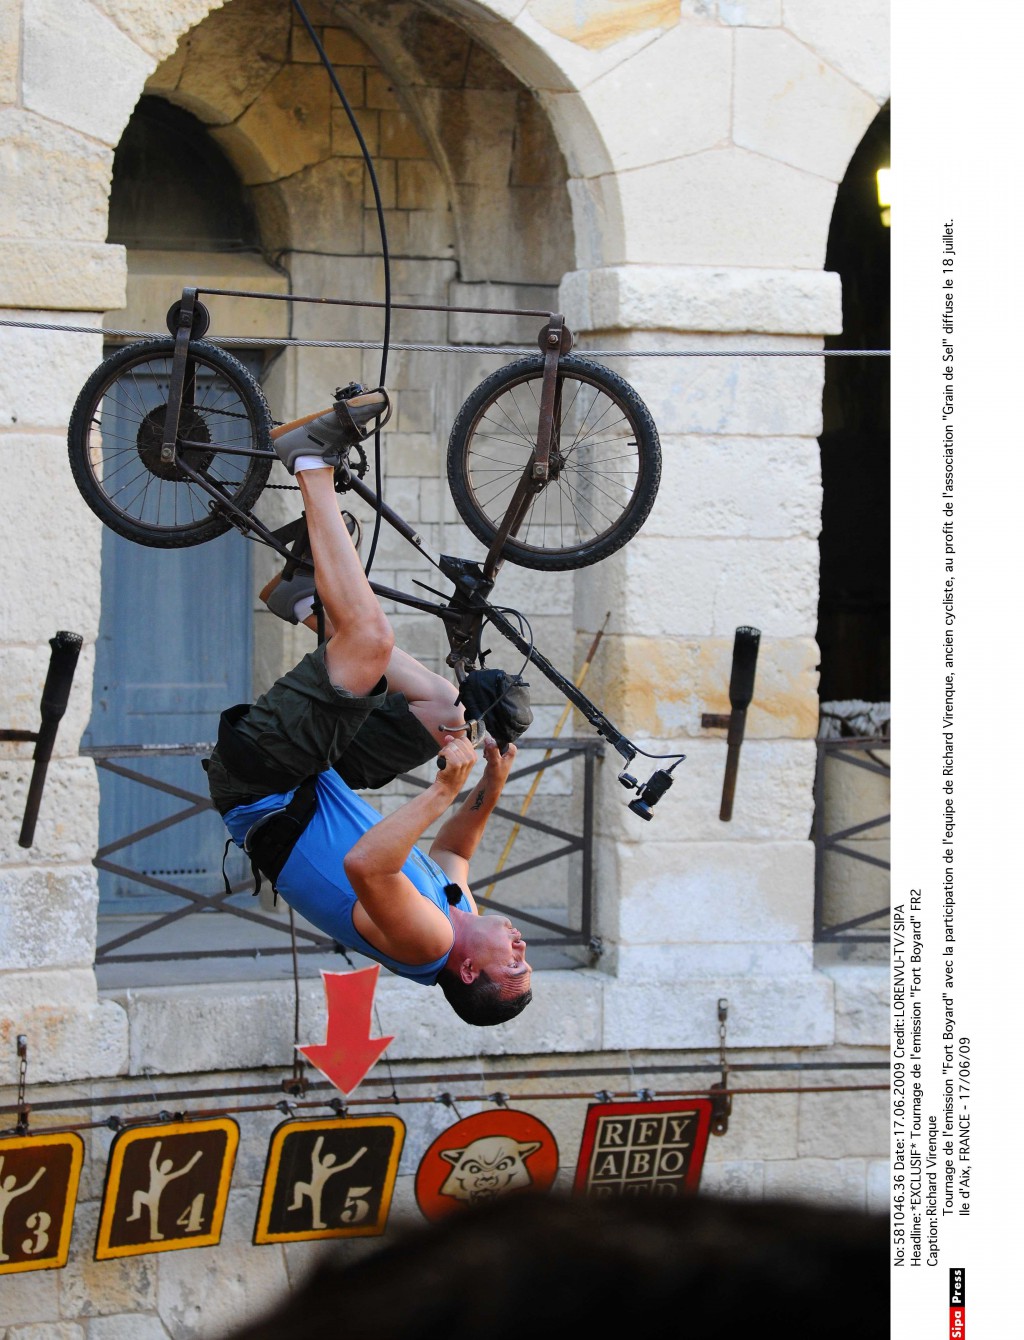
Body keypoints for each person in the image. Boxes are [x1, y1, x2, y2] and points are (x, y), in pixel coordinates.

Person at [205, 388, 533, 1027]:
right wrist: (490, 785)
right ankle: (306, 602)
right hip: (312, 778)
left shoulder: (427, 945)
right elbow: (456, 856)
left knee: (370, 641)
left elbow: (365, 865)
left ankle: (308, 463)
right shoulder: (456, 918)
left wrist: (446, 789)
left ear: (470, 972)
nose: (522, 949)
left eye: (513, 965)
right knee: (445, 709)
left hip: (264, 786)